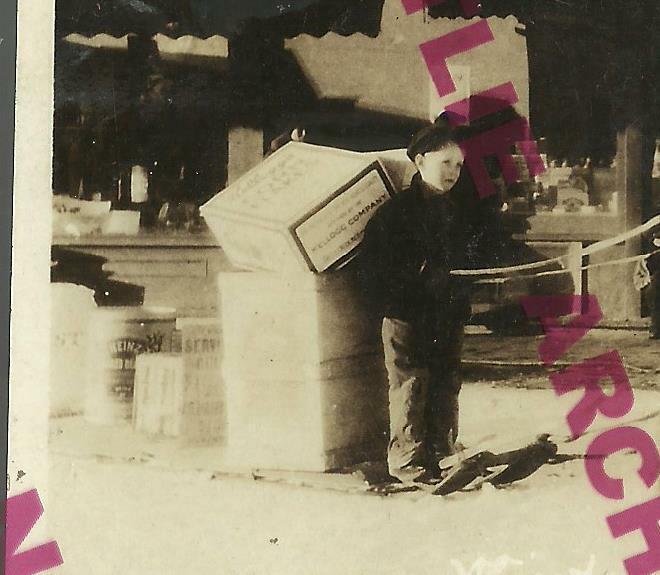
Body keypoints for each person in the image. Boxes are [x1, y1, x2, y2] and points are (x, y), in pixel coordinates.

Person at [357, 117, 512, 484]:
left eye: (459, 165)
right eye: (446, 163)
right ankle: (407, 460)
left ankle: (443, 452)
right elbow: (374, 272)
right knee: (411, 384)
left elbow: (476, 256)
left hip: (447, 315)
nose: (454, 172)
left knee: (446, 382)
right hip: (407, 317)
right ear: (420, 161)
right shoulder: (396, 215)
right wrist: (417, 282)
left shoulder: (461, 213)